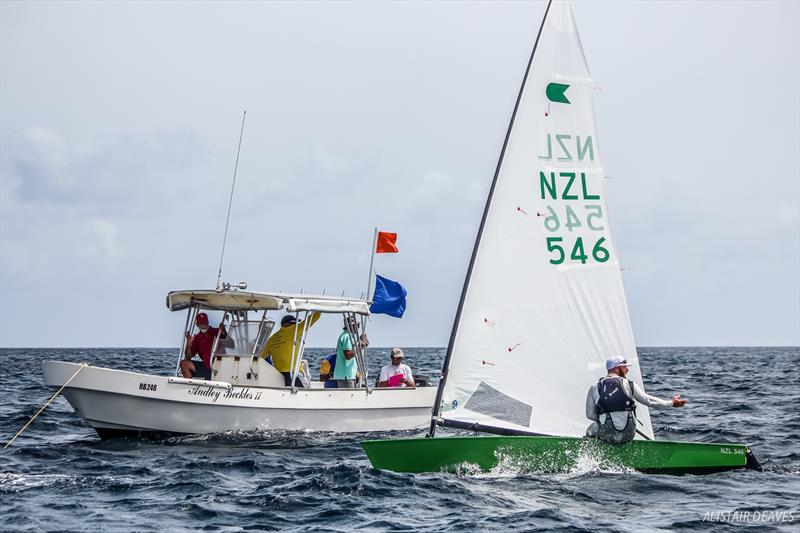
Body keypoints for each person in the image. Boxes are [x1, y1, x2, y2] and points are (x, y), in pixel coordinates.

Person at [586, 356, 688, 444]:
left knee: (591, 429)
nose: (627, 370)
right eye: (625, 367)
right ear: (616, 368)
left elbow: (590, 415)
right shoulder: (630, 385)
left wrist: (603, 420)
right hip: (628, 434)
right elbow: (649, 401)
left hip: (608, 434)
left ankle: (595, 454)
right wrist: (671, 403)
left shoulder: (594, 387)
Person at [261, 312, 320, 386]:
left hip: (279, 376)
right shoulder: (294, 331)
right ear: (293, 323)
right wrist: (319, 310)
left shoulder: (272, 338)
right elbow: (313, 318)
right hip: (294, 374)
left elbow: (261, 357)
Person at [180, 312, 234, 380]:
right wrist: (188, 343)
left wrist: (224, 332)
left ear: (208, 322)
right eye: (201, 323)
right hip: (206, 368)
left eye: (205, 322)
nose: (204, 324)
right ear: (197, 324)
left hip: (220, 366)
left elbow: (232, 345)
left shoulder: (217, 332)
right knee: (184, 364)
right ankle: (188, 388)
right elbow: (188, 357)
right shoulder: (197, 338)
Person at [333, 316, 368, 388]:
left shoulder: (346, 335)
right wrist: (361, 345)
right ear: (351, 325)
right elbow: (348, 355)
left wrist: (360, 342)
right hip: (346, 375)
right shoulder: (347, 336)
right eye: (357, 325)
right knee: (349, 398)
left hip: (346, 375)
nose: (358, 327)